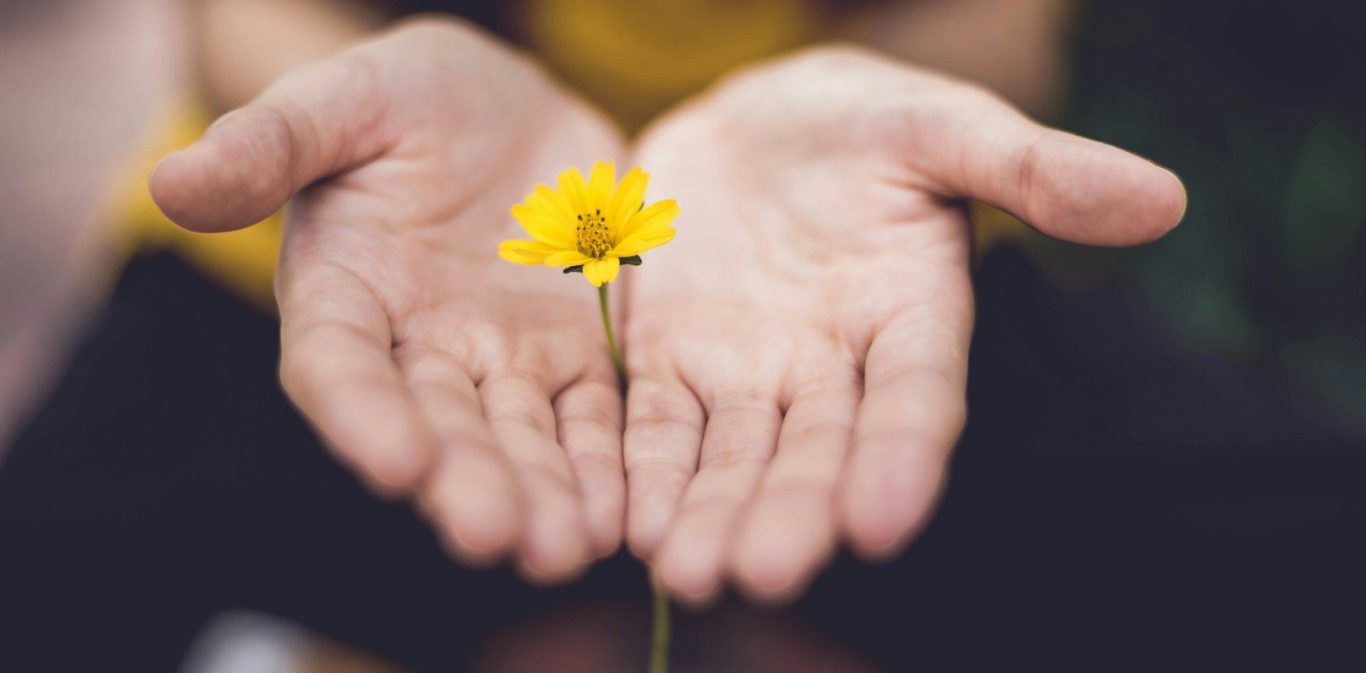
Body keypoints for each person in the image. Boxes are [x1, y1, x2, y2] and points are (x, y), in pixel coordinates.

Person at [147, 5, 1184, 605]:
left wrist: (883, 94)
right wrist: (337, 102)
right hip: (374, 258)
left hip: (851, 268)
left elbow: (994, 24)